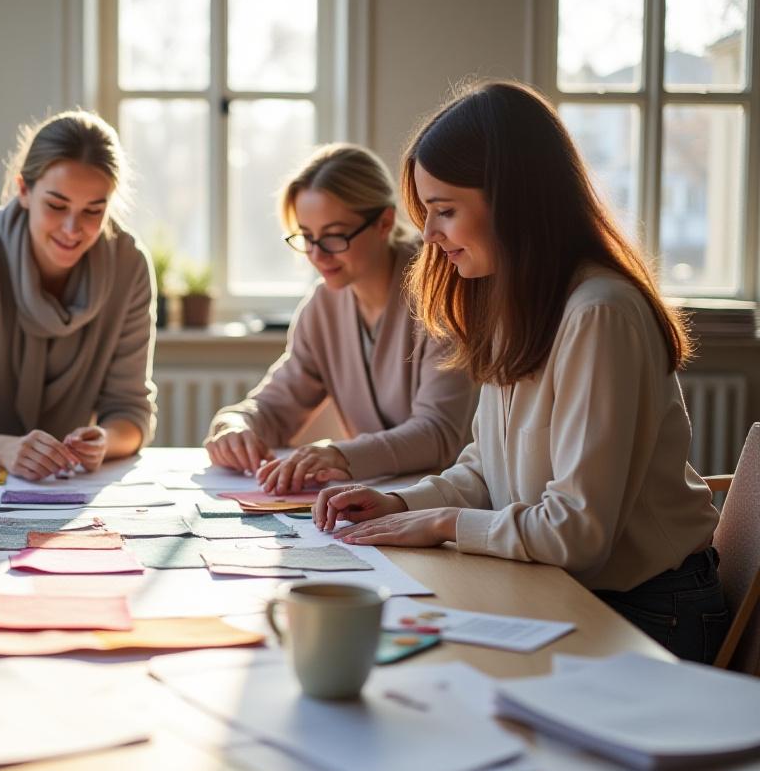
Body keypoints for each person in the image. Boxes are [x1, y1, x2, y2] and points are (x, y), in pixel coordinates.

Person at [314, 81, 726, 663]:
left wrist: (442, 523)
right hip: (568, 588)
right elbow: (487, 469)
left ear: (514, 201)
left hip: (649, 612)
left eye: (445, 212)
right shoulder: (516, 303)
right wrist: (403, 505)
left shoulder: (599, 313)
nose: (428, 236)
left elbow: (575, 535)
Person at [204, 143, 477, 494]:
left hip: (449, 503)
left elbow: (437, 434)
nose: (317, 255)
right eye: (307, 236)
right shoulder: (323, 306)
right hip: (374, 504)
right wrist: (234, 426)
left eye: (334, 236)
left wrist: (339, 455)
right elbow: (274, 407)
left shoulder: (440, 293)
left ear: (384, 223)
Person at [0, 111, 156, 481]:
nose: (72, 229)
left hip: (58, 483)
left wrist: (103, 440)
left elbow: (132, 415)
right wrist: (5, 449)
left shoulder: (130, 268)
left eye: (93, 211)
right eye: (56, 205)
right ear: (24, 190)